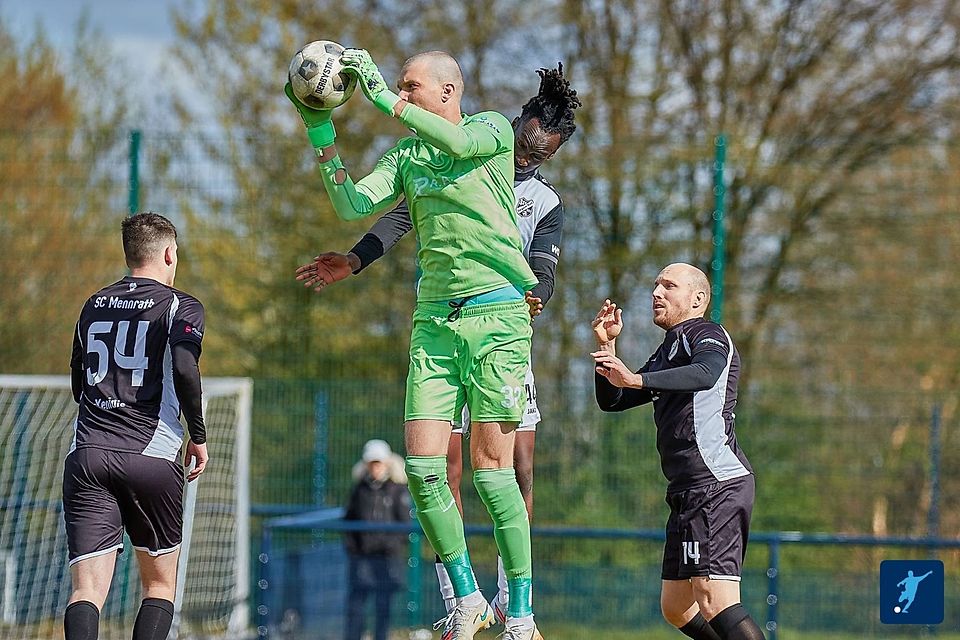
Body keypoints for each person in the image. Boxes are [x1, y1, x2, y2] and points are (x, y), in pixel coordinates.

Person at [294, 64, 581, 624]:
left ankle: (519, 613)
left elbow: (454, 140)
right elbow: (358, 206)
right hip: (434, 324)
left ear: (448, 92)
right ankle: (466, 599)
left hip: (498, 317)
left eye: (409, 87)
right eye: (398, 87)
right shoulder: (410, 159)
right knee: (426, 471)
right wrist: (319, 128)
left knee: (500, 472)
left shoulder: (492, 131)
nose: (400, 95)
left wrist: (380, 98)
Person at [591, 263, 765, 640]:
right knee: (676, 605)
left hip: (715, 483)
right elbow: (615, 400)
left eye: (668, 286)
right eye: (655, 285)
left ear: (698, 298)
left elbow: (706, 373)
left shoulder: (706, 332)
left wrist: (637, 377)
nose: (656, 292)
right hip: (687, 490)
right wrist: (607, 348)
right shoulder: (670, 347)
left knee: (713, 599)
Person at [63, 212, 209, 640]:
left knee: (86, 590)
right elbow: (184, 366)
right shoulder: (181, 304)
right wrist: (197, 435)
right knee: (159, 586)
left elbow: (78, 382)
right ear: (168, 253)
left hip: (88, 454)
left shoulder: (93, 303)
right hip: (151, 454)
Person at [343, 439, 411, 640]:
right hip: (362, 559)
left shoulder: (397, 491)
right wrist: (354, 548)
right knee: (356, 605)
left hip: (386, 559)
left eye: (379, 463)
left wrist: (390, 546)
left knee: (383, 606)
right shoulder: (359, 490)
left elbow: (404, 525)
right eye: (372, 463)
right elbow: (349, 520)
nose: (375, 468)